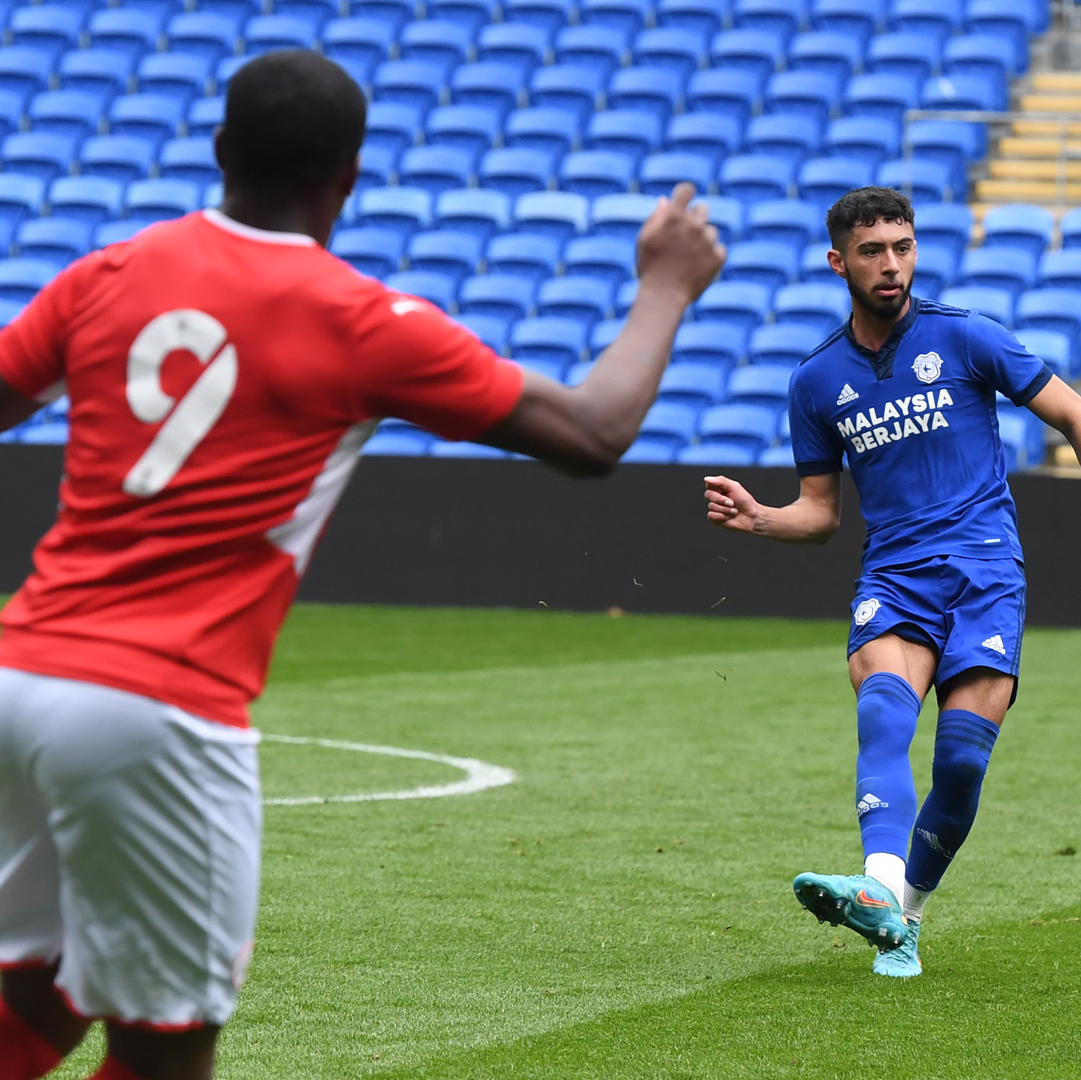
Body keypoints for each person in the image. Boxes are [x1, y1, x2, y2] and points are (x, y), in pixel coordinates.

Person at [0, 51, 724, 1080]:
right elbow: (596, 431)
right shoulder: (363, 321)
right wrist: (665, 285)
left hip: (21, 675)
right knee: (166, 1047)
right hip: (158, 711)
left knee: (36, 997)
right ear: (349, 174)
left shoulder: (105, 274)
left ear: (217, 153)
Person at [703, 187, 1081, 978]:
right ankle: (876, 886)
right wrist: (759, 519)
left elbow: (1079, 417)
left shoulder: (966, 337)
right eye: (873, 251)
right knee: (883, 709)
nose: (892, 264)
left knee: (963, 763)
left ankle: (903, 916)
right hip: (895, 575)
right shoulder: (816, 382)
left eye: (903, 247)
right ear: (838, 261)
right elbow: (819, 512)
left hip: (985, 570)